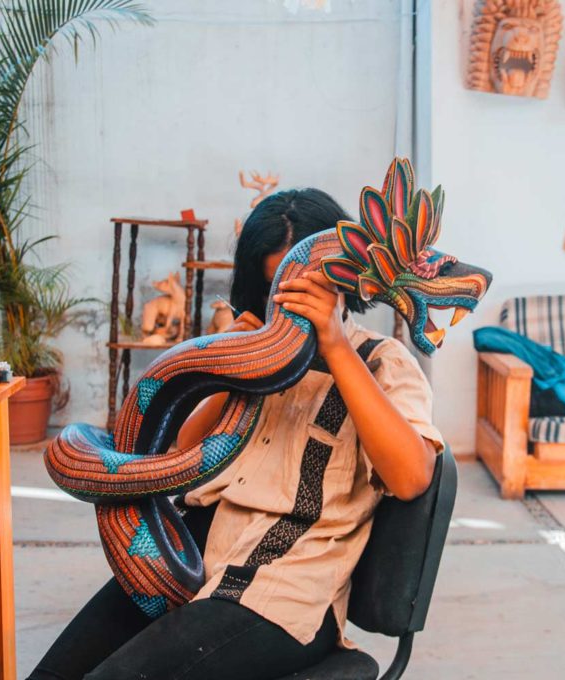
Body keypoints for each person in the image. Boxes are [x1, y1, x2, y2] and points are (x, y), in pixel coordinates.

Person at [28, 188, 444, 680]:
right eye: (275, 294)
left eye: (305, 295)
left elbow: (413, 478)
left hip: (283, 593)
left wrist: (333, 344)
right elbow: (180, 465)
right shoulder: (248, 357)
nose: (287, 313)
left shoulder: (381, 361)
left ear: (342, 282)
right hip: (188, 564)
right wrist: (225, 364)